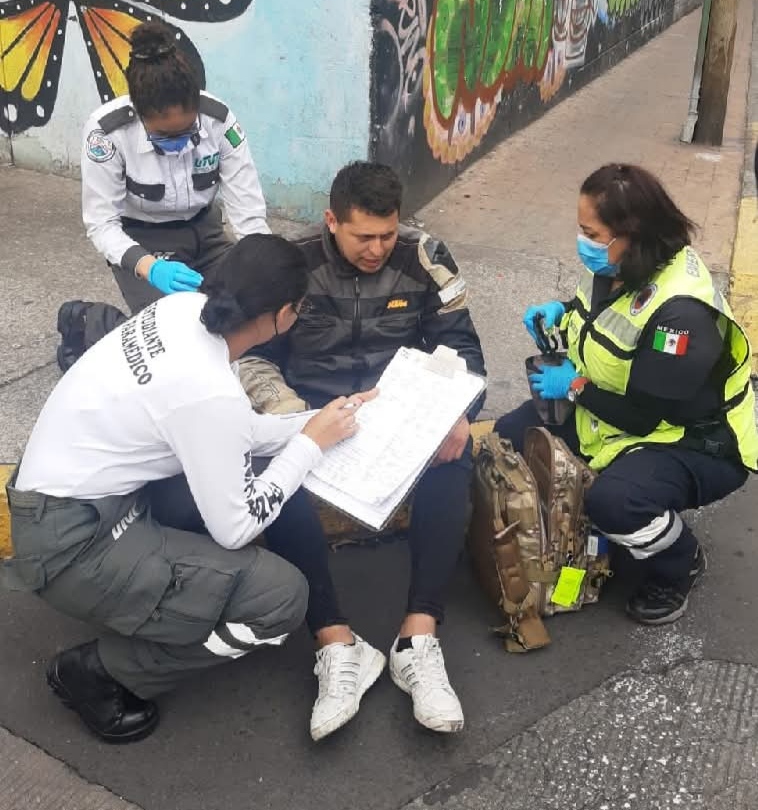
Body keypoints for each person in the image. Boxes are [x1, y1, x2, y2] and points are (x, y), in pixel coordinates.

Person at [2, 235, 374, 744]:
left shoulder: (180, 311)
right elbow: (236, 526)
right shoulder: (208, 392)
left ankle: (153, 602)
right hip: (71, 544)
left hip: (61, 500)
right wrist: (309, 445)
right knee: (281, 599)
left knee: (245, 477)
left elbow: (230, 430)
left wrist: (322, 422)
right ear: (285, 314)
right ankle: (103, 671)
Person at [237, 161, 487, 739]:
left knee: (454, 457)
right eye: (362, 236)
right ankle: (336, 642)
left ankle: (417, 637)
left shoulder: (426, 257)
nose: (378, 248)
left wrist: (454, 412)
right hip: (310, 415)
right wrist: (291, 418)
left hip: (397, 413)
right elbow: (250, 355)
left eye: (387, 234)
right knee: (276, 480)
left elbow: (464, 349)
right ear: (331, 222)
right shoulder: (290, 265)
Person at [496, 163, 757, 625]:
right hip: (613, 416)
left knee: (617, 503)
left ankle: (680, 562)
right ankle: (575, 528)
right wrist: (562, 312)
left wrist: (574, 386)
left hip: (691, 441)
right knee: (511, 434)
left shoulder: (682, 314)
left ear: (629, 233)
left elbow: (641, 417)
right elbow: (595, 314)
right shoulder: (618, 263)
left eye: (590, 232)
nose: (583, 242)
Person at [58, 19, 269, 364]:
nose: (179, 144)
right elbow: (102, 224)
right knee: (173, 341)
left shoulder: (219, 120)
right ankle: (85, 321)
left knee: (248, 318)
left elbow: (247, 209)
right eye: (164, 137)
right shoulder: (107, 133)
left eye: (187, 131)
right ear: (139, 115)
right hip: (145, 242)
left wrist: (261, 267)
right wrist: (149, 267)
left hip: (207, 232)